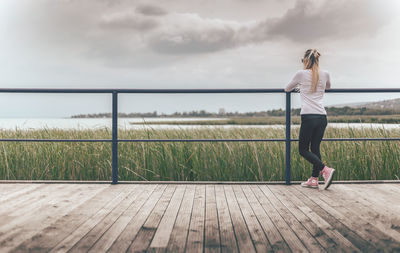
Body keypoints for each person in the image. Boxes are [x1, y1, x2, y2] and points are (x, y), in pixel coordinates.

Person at [285, 49, 335, 190]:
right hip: (321, 117)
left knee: (303, 150)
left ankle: (325, 170)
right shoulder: (325, 74)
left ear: (305, 60)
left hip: (308, 116)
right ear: (317, 60)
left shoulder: (301, 74)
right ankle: (314, 179)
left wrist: (300, 88)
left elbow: (287, 89)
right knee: (314, 148)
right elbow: (328, 87)